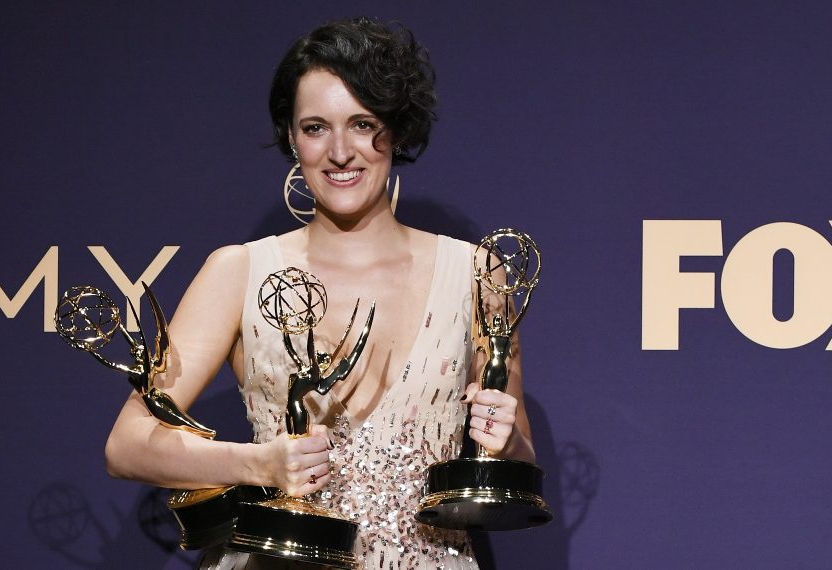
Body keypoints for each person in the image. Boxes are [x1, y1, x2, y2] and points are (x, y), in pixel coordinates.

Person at [104, 17, 537, 569]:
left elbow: (516, 454)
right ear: (291, 136)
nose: (340, 151)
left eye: (362, 123)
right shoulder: (238, 271)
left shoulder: (480, 275)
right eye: (315, 127)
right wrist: (258, 465)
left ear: (396, 130)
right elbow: (127, 445)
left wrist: (506, 441)